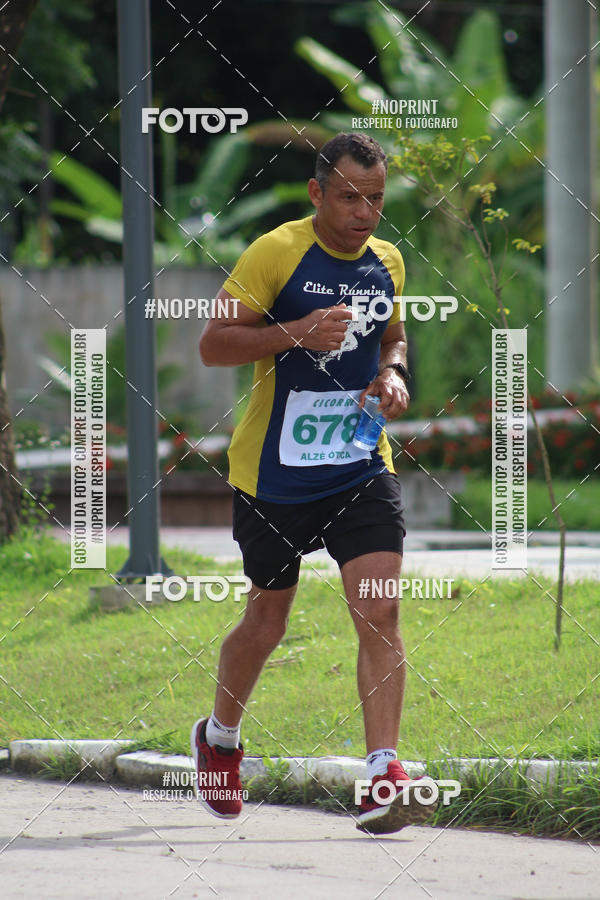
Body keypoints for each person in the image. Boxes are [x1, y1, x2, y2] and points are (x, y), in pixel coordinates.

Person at [192, 132, 436, 834]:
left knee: (380, 609)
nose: (366, 213)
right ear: (318, 193)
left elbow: (391, 337)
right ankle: (220, 738)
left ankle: (384, 772)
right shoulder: (276, 252)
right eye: (352, 197)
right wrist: (294, 332)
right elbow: (214, 344)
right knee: (266, 623)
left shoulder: (387, 260)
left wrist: (392, 374)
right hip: (274, 476)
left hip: (359, 465)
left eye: (378, 199)